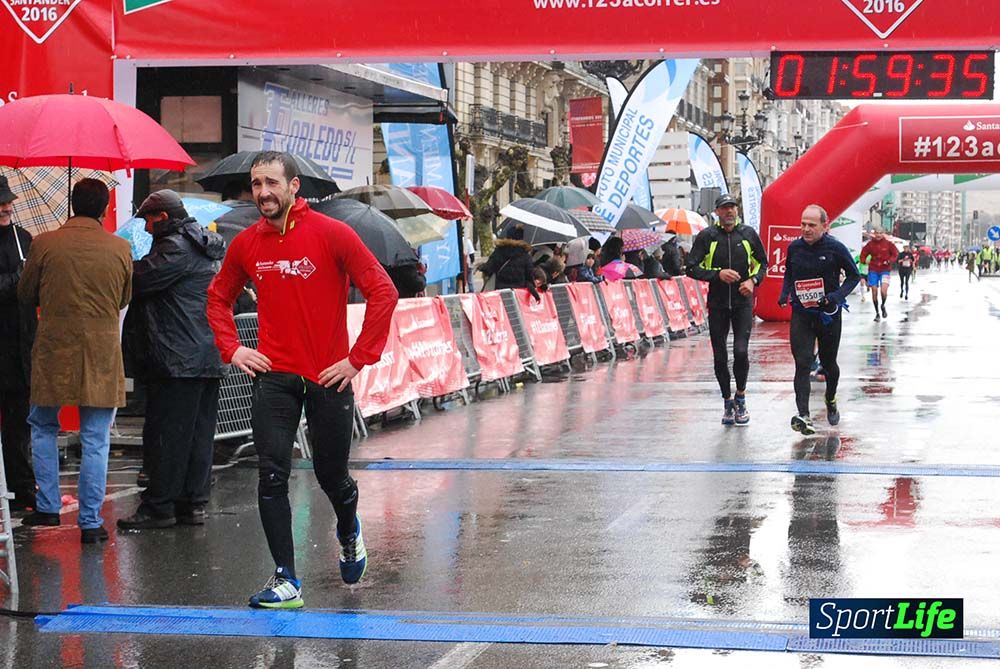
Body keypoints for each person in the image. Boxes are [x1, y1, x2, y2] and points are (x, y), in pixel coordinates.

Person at [206, 151, 398, 609]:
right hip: (274, 376)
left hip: (328, 377)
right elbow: (218, 296)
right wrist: (232, 348)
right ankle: (286, 580)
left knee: (332, 477)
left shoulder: (332, 233)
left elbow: (382, 291)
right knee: (271, 474)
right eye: (256, 184)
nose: (263, 193)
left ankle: (349, 531)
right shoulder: (247, 243)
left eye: (272, 183)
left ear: (294, 187)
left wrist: (357, 360)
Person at [17, 179, 132, 544]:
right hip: (101, 351)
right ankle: (90, 522)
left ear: (71, 203)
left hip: (54, 348)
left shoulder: (45, 243)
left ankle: (49, 507)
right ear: (102, 209)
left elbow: (25, 293)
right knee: (96, 438)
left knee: (43, 426)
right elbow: (123, 297)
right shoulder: (120, 248)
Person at [117, 190, 227, 530]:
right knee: (197, 434)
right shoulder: (203, 245)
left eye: (149, 222)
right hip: (205, 353)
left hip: (178, 357)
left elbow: (136, 280)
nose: (146, 230)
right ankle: (191, 504)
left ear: (162, 218)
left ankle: (159, 506)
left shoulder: (175, 248)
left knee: (169, 434)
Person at [778, 205, 860, 435]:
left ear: (825, 226)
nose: (806, 229)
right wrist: (785, 294)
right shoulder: (795, 247)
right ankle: (803, 414)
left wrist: (834, 297)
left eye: (812, 225)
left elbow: (854, 276)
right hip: (802, 313)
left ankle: (831, 398)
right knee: (802, 362)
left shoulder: (835, 248)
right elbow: (789, 274)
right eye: (803, 224)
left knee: (828, 364)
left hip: (828, 315)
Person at [685, 194, 766, 426]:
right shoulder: (707, 236)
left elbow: (763, 262)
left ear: (737, 210)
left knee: (740, 351)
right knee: (720, 356)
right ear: (717, 212)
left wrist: (753, 281)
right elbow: (691, 267)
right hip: (718, 303)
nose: (729, 212)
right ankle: (727, 401)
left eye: (732, 207)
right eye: (724, 208)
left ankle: (741, 396)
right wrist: (717, 275)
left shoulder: (748, 234)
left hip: (742, 303)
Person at [0, 175, 37, 511]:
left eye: (8, 200)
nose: (6, 206)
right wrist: (18, 277)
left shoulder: (23, 238)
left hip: (22, 344)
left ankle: (21, 486)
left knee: (19, 422)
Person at [478, 224, 539, 300]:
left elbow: (489, 268)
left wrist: (481, 267)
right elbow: (529, 275)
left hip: (501, 292)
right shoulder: (525, 255)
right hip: (519, 294)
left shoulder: (499, 252)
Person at [859, 227, 897, 321]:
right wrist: (864, 261)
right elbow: (863, 254)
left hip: (885, 270)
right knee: (874, 291)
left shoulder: (888, 244)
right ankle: (877, 313)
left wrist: (889, 261)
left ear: (883, 233)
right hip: (873, 270)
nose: (878, 235)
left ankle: (883, 306)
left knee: (883, 290)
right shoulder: (870, 244)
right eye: (877, 233)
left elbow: (895, 254)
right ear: (874, 234)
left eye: (880, 233)